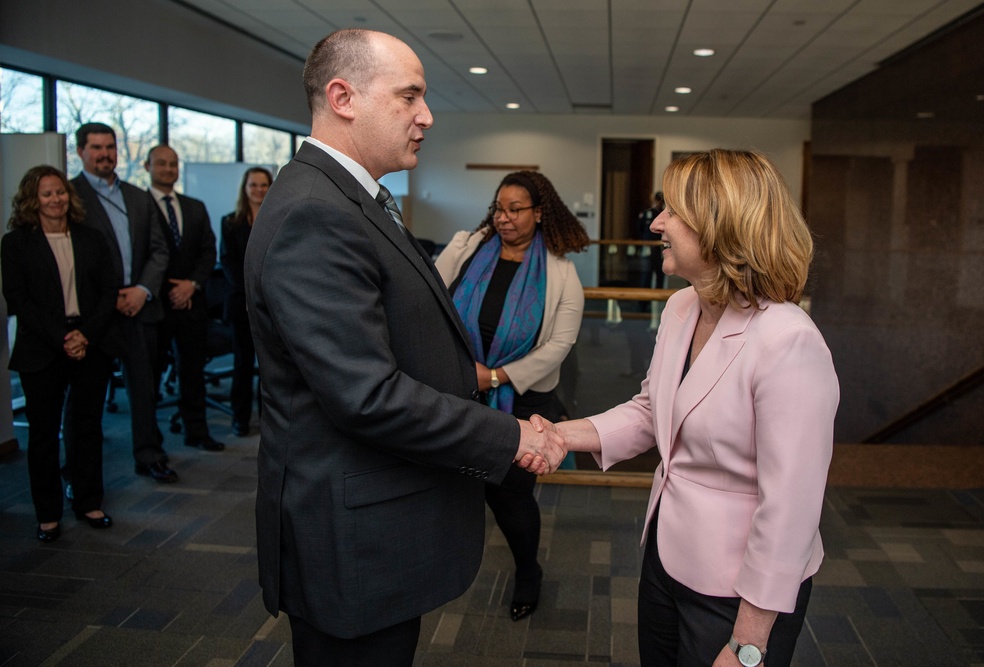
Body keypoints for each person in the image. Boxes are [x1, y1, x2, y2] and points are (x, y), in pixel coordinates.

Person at [243, 29, 565, 666]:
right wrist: (512, 439)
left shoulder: (351, 199)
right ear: (343, 97)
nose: (427, 116)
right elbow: (365, 395)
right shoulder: (316, 212)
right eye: (410, 96)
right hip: (350, 539)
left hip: (374, 523)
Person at [546, 150, 839, 667]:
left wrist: (747, 642)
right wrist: (563, 436)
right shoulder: (683, 306)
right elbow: (651, 410)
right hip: (666, 555)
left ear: (723, 226)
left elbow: (792, 509)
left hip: (740, 592)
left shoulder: (788, 341)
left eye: (674, 212)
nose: (657, 222)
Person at [435, 170, 589, 621]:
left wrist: (497, 377)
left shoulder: (559, 271)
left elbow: (559, 345)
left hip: (520, 400)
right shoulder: (467, 247)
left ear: (539, 214)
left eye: (515, 210)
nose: (503, 218)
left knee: (510, 495)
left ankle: (528, 572)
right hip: (460, 388)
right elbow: (430, 300)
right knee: (451, 483)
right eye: (498, 208)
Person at [2, 166, 122, 541]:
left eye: (60, 193)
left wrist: (84, 334)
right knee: (42, 434)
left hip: (91, 342)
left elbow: (109, 290)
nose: (56, 200)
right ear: (31, 200)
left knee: (86, 427)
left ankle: (88, 502)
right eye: (47, 194)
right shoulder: (16, 243)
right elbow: (19, 300)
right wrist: (63, 337)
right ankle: (47, 514)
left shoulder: (90, 238)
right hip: (43, 347)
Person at [70, 123, 174, 483]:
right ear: (81, 151)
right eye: (96, 147)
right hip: (93, 312)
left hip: (139, 303)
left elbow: (160, 250)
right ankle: (79, 470)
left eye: (110, 147)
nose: (105, 154)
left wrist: (142, 289)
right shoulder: (69, 197)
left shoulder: (137, 196)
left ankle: (148, 453)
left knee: (144, 388)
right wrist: (107, 297)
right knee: (86, 397)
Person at [144, 145, 223, 452]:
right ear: (148, 166)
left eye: (173, 163)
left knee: (192, 373)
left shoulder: (194, 206)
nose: (168, 169)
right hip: (155, 305)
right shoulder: (139, 206)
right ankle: (152, 444)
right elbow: (140, 256)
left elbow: (208, 251)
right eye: (161, 163)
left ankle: (197, 431)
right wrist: (168, 289)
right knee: (149, 379)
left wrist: (192, 284)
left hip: (191, 303)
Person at [219, 167, 272, 436]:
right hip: (241, 303)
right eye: (254, 185)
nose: (259, 190)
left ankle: (268, 418)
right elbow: (227, 263)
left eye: (264, 185)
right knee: (242, 363)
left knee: (268, 366)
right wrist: (251, 290)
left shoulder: (278, 218)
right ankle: (240, 417)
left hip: (272, 303)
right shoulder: (230, 223)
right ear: (245, 188)